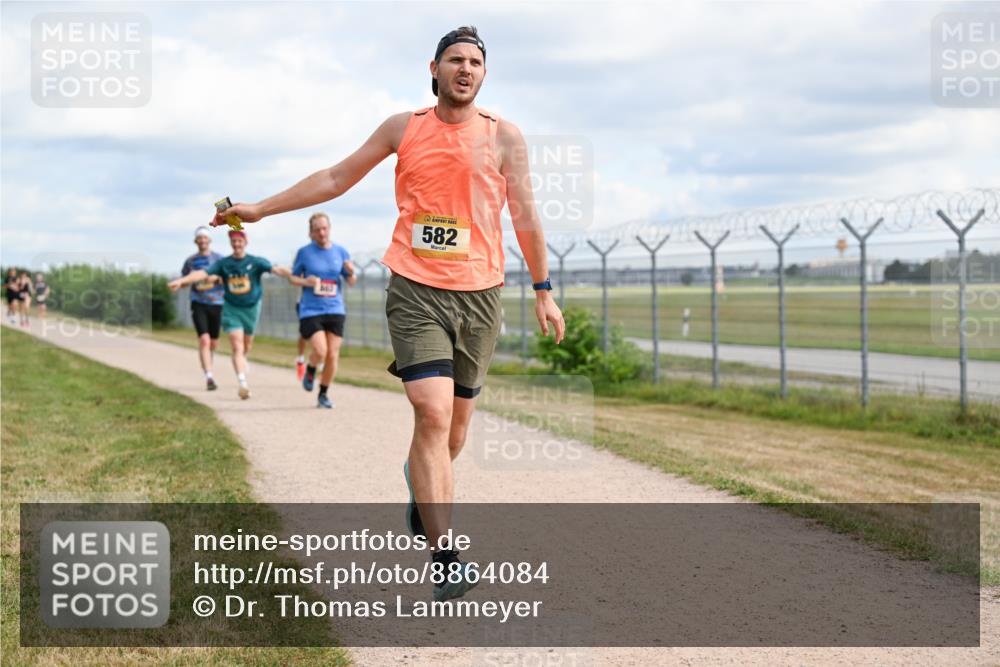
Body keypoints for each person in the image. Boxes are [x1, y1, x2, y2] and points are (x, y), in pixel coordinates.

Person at [210, 26, 564, 601]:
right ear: (435, 68)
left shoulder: (505, 139)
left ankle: (420, 487)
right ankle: (445, 556)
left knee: (454, 430)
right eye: (455, 60)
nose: (465, 69)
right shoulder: (405, 128)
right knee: (430, 412)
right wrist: (261, 209)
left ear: (484, 73)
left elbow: (525, 216)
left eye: (475, 62)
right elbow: (335, 177)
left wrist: (543, 289)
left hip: (481, 294)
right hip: (415, 287)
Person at [169, 230, 291, 399]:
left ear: (245, 242)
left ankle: (242, 360)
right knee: (236, 345)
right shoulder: (223, 263)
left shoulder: (255, 262)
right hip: (231, 308)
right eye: (233, 241)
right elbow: (201, 274)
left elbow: (276, 269)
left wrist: (293, 273)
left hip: (251, 308)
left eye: (239, 241)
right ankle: (242, 383)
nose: (236, 244)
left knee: (246, 346)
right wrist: (182, 281)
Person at [289, 212, 357, 408]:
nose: (322, 232)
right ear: (311, 233)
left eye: (324, 228)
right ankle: (311, 368)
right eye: (317, 229)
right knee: (320, 351)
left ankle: (323, 394)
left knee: (332, 355)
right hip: (311, 310)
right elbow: (293, 278)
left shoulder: (341, 252)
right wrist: (305, 281)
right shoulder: (304, 252)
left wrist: (351, 272)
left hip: (335, 308)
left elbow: (351, 281)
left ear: (329, 229)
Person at [180, 227, 225, 390]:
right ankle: (209, 376)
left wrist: (217, 279)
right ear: (196, 241)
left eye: (205, 238)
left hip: (217, 303)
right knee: (204, 340)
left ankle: (208, 359)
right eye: (200, 238)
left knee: (213, 342)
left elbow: (228, 279)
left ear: (210, 240)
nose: (203, 241)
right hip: (198, 302)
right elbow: (184, 281)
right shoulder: (190, 261)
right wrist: (188, 280)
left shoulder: (219, 259)